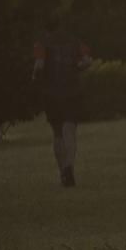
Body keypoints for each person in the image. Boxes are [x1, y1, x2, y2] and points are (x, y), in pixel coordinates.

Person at [32, 19, 92, 186]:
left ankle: (62, 173)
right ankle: (69, 166)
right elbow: (87, 61)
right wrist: (76, 67)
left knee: (57, 132)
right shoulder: (74, 42)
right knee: (70, 129)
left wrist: (35, 77)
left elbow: (39, 66)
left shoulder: (41, 44)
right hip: (72, 90)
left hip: (51, 93)